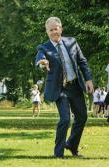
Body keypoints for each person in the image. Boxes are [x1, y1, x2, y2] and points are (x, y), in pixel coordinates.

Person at [35, 16, 94, 158]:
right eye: (51, 30)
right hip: (60, 89)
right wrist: (42, 63)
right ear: (47, 32)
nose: (54, 32)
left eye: (56, 29)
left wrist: (88, 79)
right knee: (65, 119)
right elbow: (39, 59)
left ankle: (72, 145)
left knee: (82, 117)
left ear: (60, 29)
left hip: (75, 86)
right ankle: (58, 153)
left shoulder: (72, 42)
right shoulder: (44, 47)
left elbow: (82, 61)